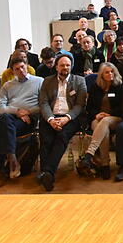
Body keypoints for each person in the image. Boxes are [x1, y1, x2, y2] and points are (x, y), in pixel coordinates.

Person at [36, 54, 87, 191]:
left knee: (61, 137)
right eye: (62, 65)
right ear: (56, 67)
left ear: (71, 66)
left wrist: (67, 118)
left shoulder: (79, 81)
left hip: (71, 118)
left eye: (68, 65)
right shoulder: (47, 81)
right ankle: (47, 172)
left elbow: (80, 105)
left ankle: (47, 172)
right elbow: (44, 102)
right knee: (46, 139)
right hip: (50, 117)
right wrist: (51, 119)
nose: (65, 67)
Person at [0, 56, 44, 188]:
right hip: (11, 117)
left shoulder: (39, 82)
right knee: (3, 120)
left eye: (23, 67)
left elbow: (44, 104)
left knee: (0, 130)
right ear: (12, 71)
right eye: (17, 69)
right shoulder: (8, 85)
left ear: (27, 66)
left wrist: (28, 112)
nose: (21, 70)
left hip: (28, 119)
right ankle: (12, 158)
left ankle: (0, 170)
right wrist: (17, 111)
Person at [76, 62, 123, 180]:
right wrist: (96, 114)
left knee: (106, 122)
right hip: (98, 119)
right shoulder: (95, 87)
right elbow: (90, 107)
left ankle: (89, 154)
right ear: (101, 75)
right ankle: (105, 164)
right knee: (104, 131)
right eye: (106, 72)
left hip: (115, 118)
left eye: (112, 71)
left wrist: (109, 114)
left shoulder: (120, 86)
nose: (110, 74)